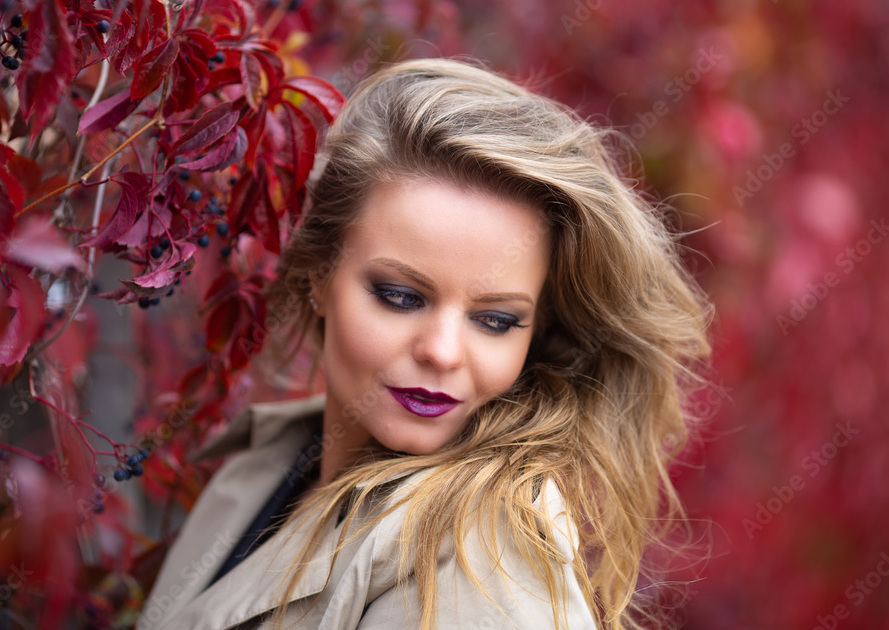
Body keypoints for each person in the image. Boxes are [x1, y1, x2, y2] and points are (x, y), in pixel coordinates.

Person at [137, 58, 712, 630]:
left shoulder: (480, 568)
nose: (442, 352)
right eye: (401, 296)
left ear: (536, 331)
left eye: (495, 320)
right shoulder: (267, 464)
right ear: (319, 276)